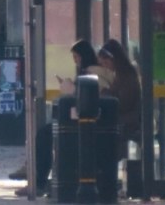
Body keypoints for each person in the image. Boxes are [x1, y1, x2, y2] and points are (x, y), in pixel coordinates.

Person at [16, 39, 112, 196]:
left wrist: (70, 90)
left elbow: (90, 101)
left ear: (84, 56)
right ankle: (36, 176)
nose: (75, 61)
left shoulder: (93, 74)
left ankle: (39, 180)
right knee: (46, 132)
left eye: (77, 57)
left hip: (89, 124)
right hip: (86, 122)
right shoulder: (93, 72)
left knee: (45, 134)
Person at [102, 39, 142, 159]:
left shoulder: (127, 75)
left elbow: (124, 103)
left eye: (106, 62)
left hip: (128, 120)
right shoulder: (121, 74)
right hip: (126, 118)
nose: (106, 66)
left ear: (114, 59)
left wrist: (106, 95)